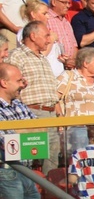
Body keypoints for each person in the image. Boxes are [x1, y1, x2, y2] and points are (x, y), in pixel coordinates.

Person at [8, 21, 60, 174]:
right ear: (33, 36)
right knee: (30, 158)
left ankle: (49, 195)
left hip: (50, 113)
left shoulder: (43, 58)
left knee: (52, 158)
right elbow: (10, 87)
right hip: (31, 113)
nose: (49, 40)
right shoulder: (17, 56)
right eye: (46, 36)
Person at [0, 62, 42, 199]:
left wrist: (21, 133)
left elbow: (40, 130)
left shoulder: (19, 104)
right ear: (4, 82)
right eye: (18, 81)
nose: (22, 84)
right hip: (6, 170)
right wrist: (27, 133)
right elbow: (7, 142)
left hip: (26, 168)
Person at [56, 47, 94, 150]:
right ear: (85, 63)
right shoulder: (68, 76)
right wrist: (60, 118)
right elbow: (54, 98)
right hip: (77, 128)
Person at [19, 0, 65, 77]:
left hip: (58, 78)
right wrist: (51, 39)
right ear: (33, 14)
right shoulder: (24, 32)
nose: (48, 17)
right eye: (44, 14)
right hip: (42, 76)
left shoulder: (48, 32)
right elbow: (35, 56)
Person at [47, 0, 77, 68]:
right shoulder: (46, 19)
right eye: (64, 3)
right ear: (54, 2)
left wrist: (72, 60)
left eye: (69, 3)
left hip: (69, 67)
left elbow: (74, 46)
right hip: (54, 65)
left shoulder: (66, 23)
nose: (68, 6)